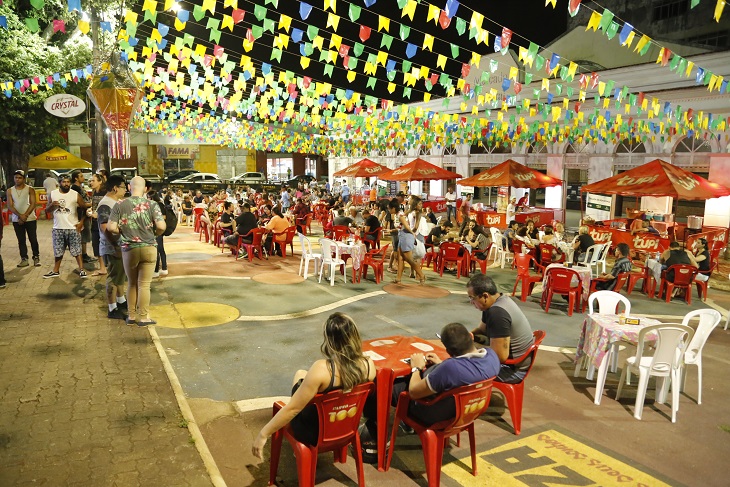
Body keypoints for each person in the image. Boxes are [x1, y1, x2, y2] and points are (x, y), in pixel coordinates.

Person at [252, 312, 376, 458]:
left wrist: (263, 433)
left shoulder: (322, 369)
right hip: (346, 426)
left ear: (329, 340)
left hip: (315, 433)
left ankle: (300, 451)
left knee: (300, 379)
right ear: (354, 336)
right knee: (302, 374)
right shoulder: (369, 365)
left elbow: (293, 409)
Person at [380, 322, 499, 428]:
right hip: (469, 411)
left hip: (436, 414)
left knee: (383, 389)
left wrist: (416, 367)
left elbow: (414, 392)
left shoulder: (450, 368)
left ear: (448, 351)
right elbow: (467, 371)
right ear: (471, 336)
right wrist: (440, 364)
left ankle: (375, 435)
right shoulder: (492, 356)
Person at [107, 176, 166, 326]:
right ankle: (144, 317)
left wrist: (122, 231)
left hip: (129, 249)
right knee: (144, 285)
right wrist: (154, 234)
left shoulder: (119, 204)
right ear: (146, 189)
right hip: (149, 248)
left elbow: (111, 227)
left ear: (129, 187)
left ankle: (131, 316)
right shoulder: (152, 204)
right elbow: (161, 227)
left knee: (132, 283)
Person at [466, 274, 534, 383]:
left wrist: (470, 349)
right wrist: (467, 336)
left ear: (485, 296)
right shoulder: (499, 300)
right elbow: (482, 330)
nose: (471, 302)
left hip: (512, 370)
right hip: (514, 363)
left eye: (472, 298)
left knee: (461, 370)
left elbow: (499, 357)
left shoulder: (497, 313)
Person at [44, 174, 89, 278]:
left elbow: (84, 208)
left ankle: (81, 269)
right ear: (59, 183)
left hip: (73, 227)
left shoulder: (75, 194)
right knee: (58, 250)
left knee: (77, 250)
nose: (66, 184)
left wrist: (81, 222)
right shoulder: (53, 194)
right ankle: (56, 270)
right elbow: (47, 210)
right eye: (64, 182)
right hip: (58, 228)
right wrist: (52, 206)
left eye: (68, 182)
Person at [96, 175, 128, 320]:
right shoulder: (106, 204)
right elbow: (104, 228)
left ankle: (121, 301)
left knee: (119, 275)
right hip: (112, 246)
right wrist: (115, 245)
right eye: (123, 187)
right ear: (115, 188)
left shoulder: (114, 202)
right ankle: (112, 308)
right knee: (113, 277)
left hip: (117, 244)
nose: (125, 189)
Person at [7, 170, 40, 268]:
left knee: (33, 239)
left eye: (20, 177)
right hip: (17, 219)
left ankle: (36, 256)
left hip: (30, 218)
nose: (17, 179)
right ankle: (24, 258)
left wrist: (25, 215)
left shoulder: (30, 189)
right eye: (16, 177)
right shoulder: (10, 190)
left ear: (24, 179)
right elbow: (10, 205)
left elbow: (33, 203)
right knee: (21, 240)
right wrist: (19, 216)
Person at [394, 196, 427, 285]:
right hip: (404, 234)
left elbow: (415, 226)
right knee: (400, 257)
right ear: (415, 204)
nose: (421, 205)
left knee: (410, 258)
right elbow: (404, 222)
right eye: (419, 203)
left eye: (421, 204)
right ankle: (398, 278)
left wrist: (412, 233)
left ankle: (421, 275)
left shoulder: (417, 213)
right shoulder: (408, 211)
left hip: (410, 235)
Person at [70, 170, 94, 265]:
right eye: (81, 176)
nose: (83, 178)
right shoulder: (75, 188)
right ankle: (83, 255)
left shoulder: (80, 187)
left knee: (86, 233)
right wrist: (90, 204)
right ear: (76, 178)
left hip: (85, 212)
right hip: (81, 214)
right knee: (83, 233)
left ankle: (84, 254)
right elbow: (79, 202)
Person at [89, 173, 107, 276]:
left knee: (105, 243)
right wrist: (90, 210)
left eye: (93, 181)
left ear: (100, 181)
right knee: (96, 244)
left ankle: (106, 267)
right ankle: (102, 268)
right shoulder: (94, 193)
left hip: (103, 222)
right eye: (90, 181)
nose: (91, 182)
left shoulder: (105, 193)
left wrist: (98, 215)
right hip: (95, 222)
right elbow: (94, 206)